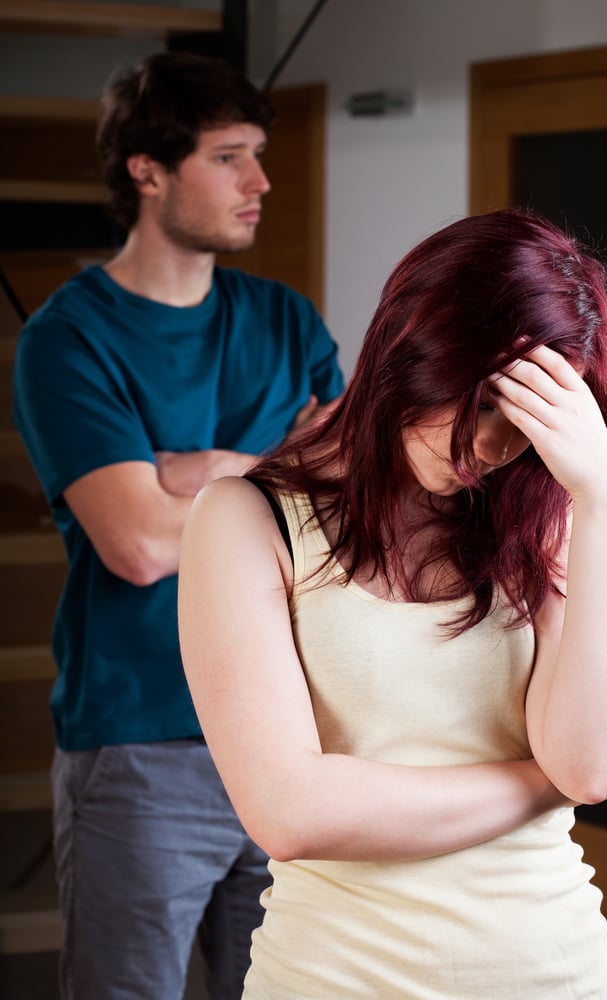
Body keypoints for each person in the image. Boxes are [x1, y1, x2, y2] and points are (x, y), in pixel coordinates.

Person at [178, 207, 607, 999]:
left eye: (527, 419)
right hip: (328, 979)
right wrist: (543, 784)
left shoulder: (551, 511)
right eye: (483, 400)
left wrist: (602, 496)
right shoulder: (244, 519)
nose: (494, 446)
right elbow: (288, 812)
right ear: (414, 346)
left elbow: (594, 762)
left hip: (554, 971)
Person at [12, 51, 344, 1000]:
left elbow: (354, 494)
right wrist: (277, 464)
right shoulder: (69, 339)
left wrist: (199, 470)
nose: (260, 182)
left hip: (295, 734)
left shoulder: (284, 320)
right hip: (141, 746)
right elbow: (141, 544)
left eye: (260, 155)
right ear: (146, 172)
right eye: (230, 156)